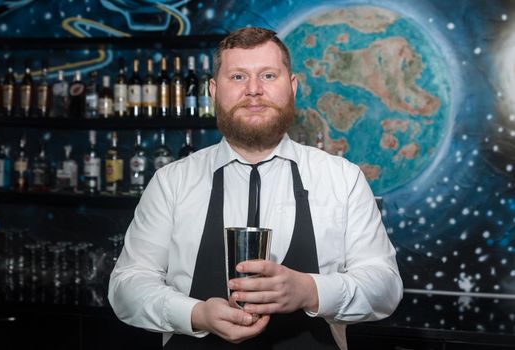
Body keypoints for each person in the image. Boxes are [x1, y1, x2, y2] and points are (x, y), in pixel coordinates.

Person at [108, 27, 403, 349]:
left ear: (292, 87)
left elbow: (385, 286)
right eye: (237, 77)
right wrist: (196, 314)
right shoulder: (171, 182)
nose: (253, 90)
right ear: (213, 89)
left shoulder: (342, 178)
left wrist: (309, 290)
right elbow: (127, 285)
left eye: (268, 75)